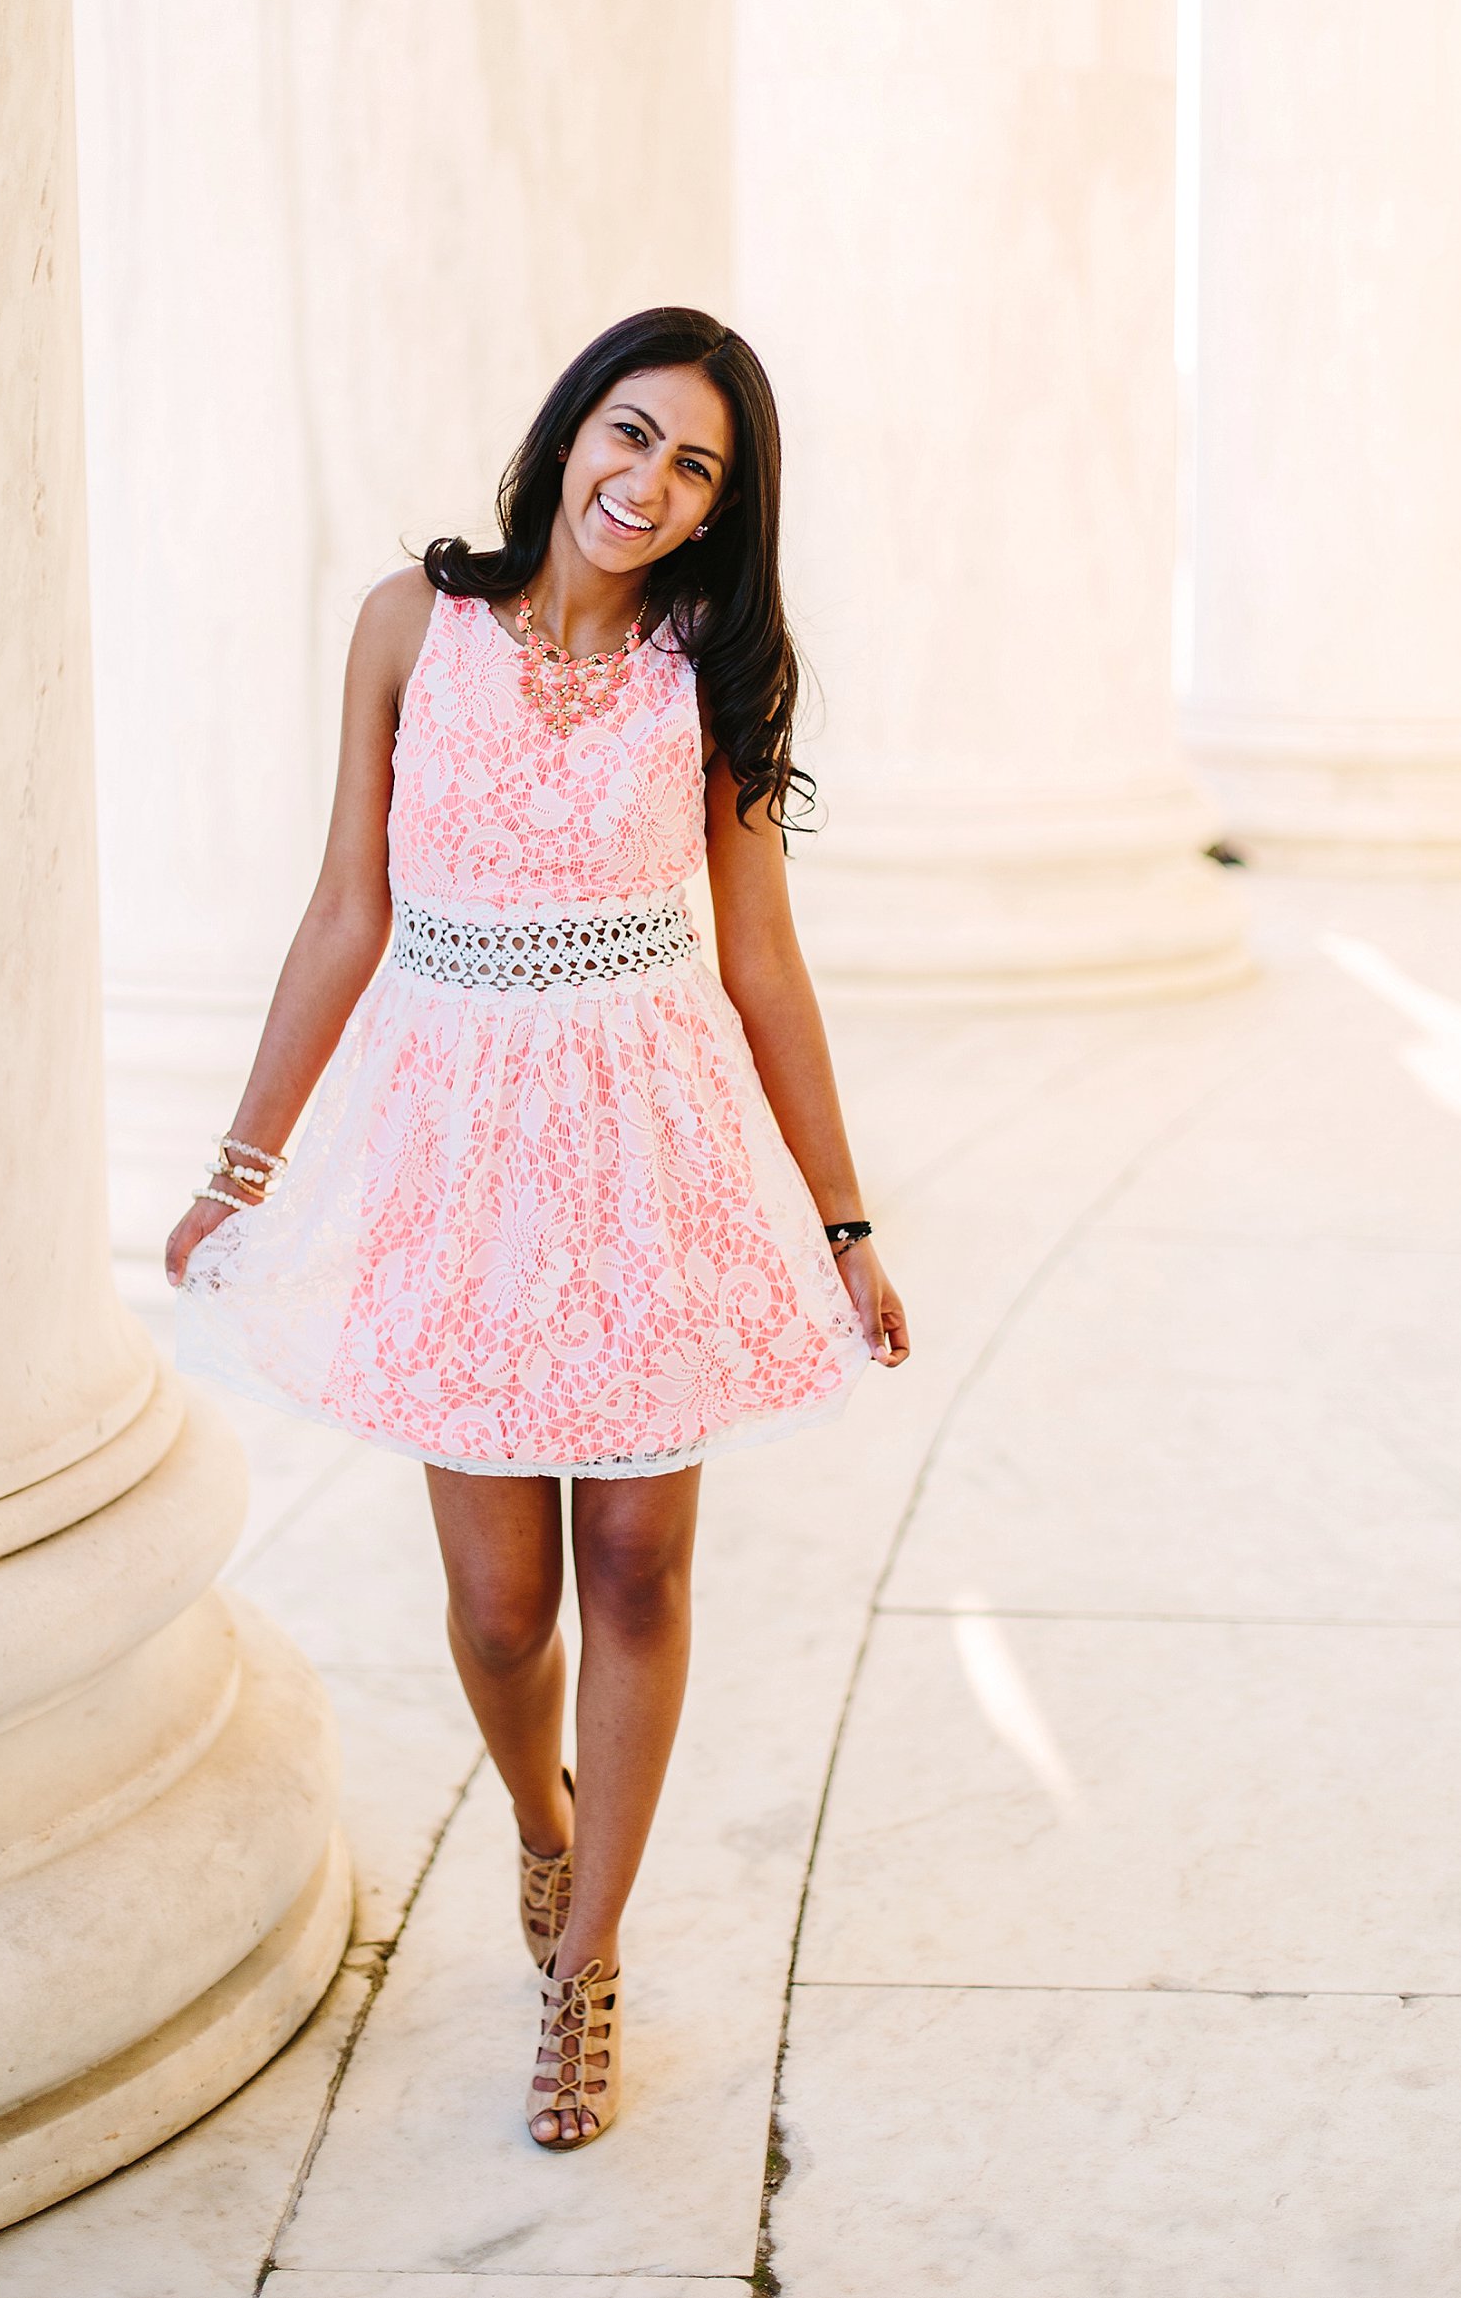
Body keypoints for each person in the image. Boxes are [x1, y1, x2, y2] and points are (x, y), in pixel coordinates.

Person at [164, 306, 909, 2153]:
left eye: (694, 469)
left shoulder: (704, 675)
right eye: (631, 434)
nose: (645, 485)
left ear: (723, 510)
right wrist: (243, 1165)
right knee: (506, 1608)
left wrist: (846, 1222)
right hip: (457, 1151)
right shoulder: (412, 631)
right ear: (570, 425)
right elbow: (348, 910)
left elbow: (761, 962)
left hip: (647, 1148)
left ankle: (586, 1961)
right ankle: (542, 1819)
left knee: (640, 1563)